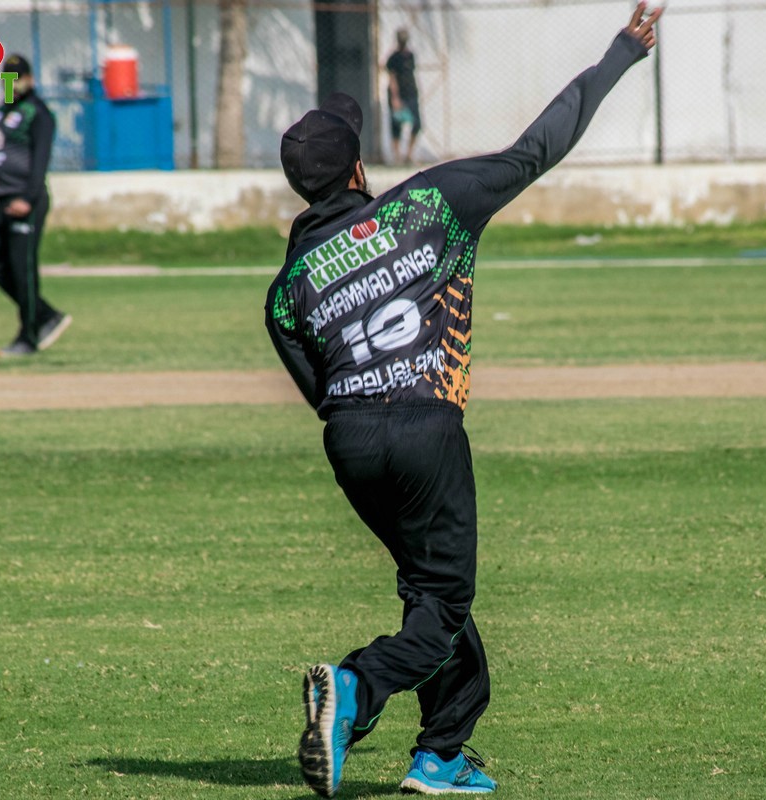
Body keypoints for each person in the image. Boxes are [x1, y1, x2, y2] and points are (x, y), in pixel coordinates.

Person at [266, 5, 663, 796]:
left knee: (429, 594)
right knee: (444, 605)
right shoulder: (430, 205)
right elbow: (537, 148)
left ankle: (440, 753)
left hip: (351, 441)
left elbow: (322, 392)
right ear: (357, 172)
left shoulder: (286, 289)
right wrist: (622, 52)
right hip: (424, 427)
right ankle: (356, 688)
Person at [0, 53, 71, 358]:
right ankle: (45, 315)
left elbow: (40, 162)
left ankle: (28, 336)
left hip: (26, 201)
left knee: (21, 268)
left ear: (30, 79)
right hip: (1, 201)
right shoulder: (2, 111)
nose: (12, 84)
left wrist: (26, 199)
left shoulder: (38, 113)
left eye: (17, 78)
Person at [385, 28, 421, 165]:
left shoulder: (410, 56)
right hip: (398, 95)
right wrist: (395, 97)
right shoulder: (393, 58)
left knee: (417, 124)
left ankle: (409, 155)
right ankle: (397, 156)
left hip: (411, 93)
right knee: (396, 125)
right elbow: (392, 78)